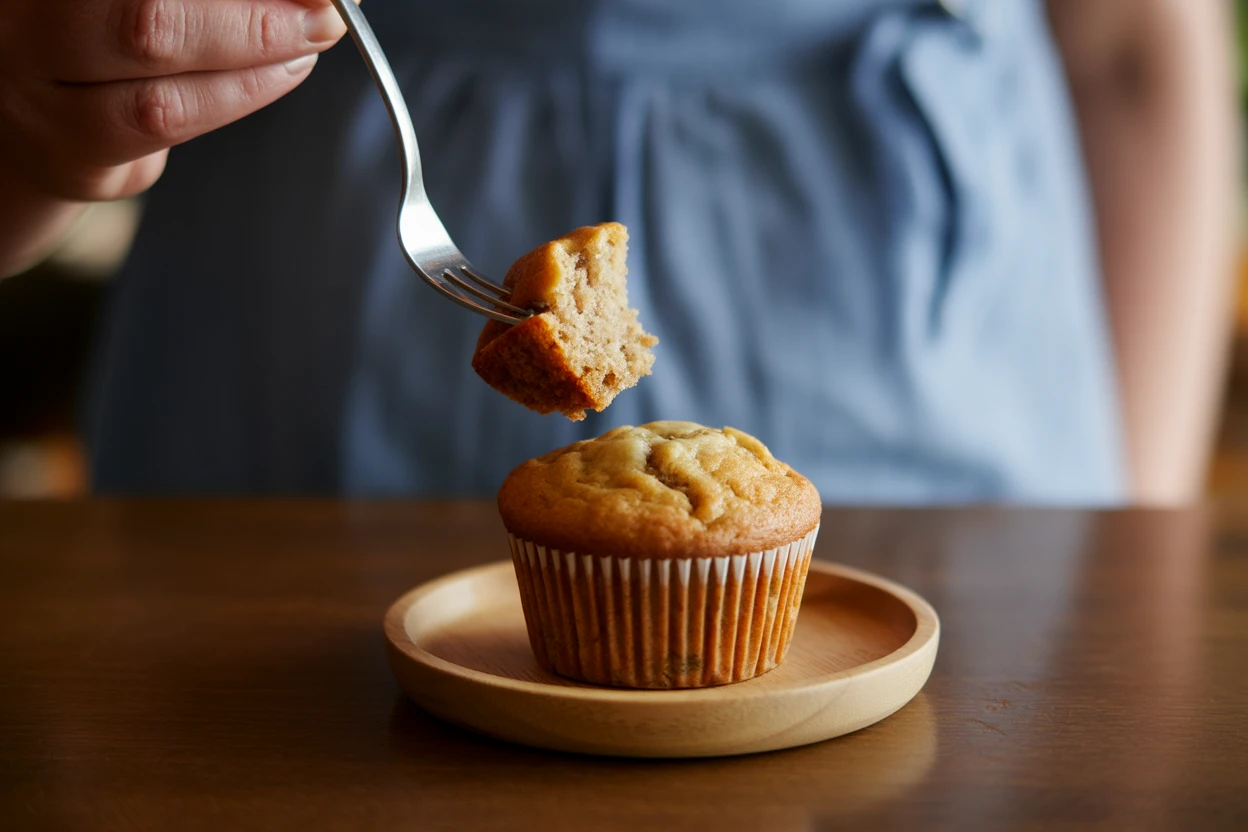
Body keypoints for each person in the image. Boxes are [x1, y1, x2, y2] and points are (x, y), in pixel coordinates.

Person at [0, 0, 1238, 504]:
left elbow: (1132, 41)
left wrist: (1133, 555)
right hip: (295, 290)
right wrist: (34, 128)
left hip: (928, 335)